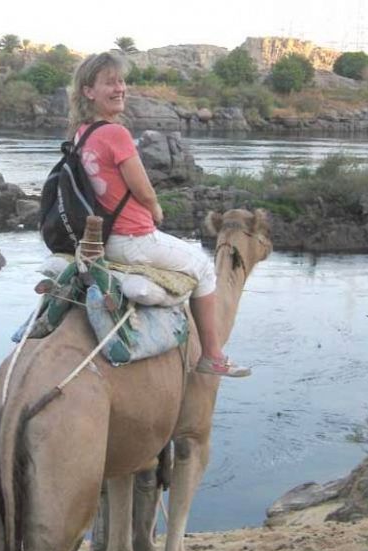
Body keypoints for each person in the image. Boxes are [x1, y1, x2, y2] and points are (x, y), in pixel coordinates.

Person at [69, 51, 251, 378]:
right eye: (110, 83)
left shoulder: (82, 133)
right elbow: (143, 189)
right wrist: (155, 208)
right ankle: (212, 354)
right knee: (204, 267)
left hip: (104, 239)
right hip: (133, 239)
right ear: (88, 91)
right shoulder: (115, 133)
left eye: (122, 81)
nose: (120, 88)